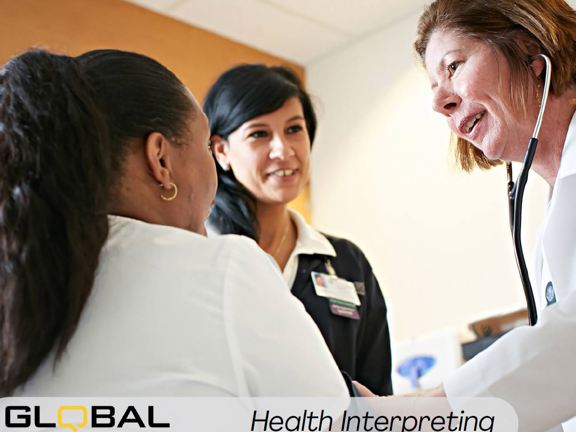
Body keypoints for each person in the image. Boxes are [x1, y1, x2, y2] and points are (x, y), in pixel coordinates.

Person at [0, 48, 349, 398]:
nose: (282, 150)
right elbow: (326, 415)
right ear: (160, 159)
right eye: (206, 146)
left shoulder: (20, 276)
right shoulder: (224, 269)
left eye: (294, 130)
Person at [408, 0, 576, 430]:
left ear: (529, 48)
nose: (439, 101)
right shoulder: (554, 214)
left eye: (453, 66)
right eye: (433, 85)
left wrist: (432, 409)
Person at [203, 64, 393, 395]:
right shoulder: (202, 255)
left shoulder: (347, 262)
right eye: (259, 134)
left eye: (294, 129)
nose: (284, 150)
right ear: (221, 151)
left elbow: (377, 397)